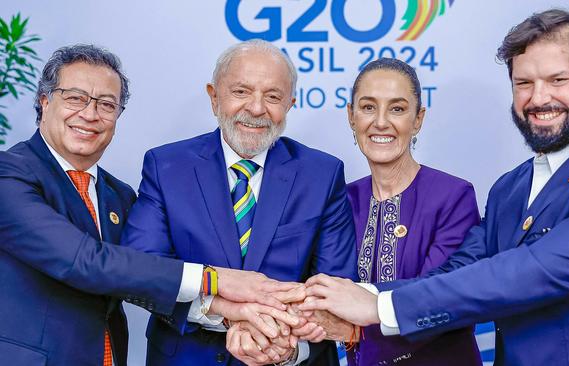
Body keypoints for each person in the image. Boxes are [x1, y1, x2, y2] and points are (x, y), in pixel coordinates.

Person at [301, 9, 569, 366]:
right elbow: (460, 271)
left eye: (558, 80)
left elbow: (530, 272)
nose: (539, 98)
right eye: (524, 83)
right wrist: (355, 297)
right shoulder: (510, 188)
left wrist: (377, 305)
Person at [0, 44, 297, 366]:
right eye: (75, 98)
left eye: (106, 104)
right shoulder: (9, 173)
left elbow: (141, 278)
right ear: (44, 101)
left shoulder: (119, 195)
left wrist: (230, 310)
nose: (89, 114)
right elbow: (84, 261)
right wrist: (217, 279)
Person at [120, 39, 357, 366]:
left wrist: (284, 345)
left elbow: (335, 286)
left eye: (273, 96)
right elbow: (143, 270)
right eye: (241, 92)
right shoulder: (166, 167)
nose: (257, 108)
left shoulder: (323, 174)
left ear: (290, 103)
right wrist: (226, 313)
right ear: (214, 96)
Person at [341, 58, 481, 365]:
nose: (380, 122)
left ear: (418, 119)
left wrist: (352, 306)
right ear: (351, 116)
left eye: (397, 108)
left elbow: (443, 297)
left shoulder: (452, 196)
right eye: (367, 107)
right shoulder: (341, 200)